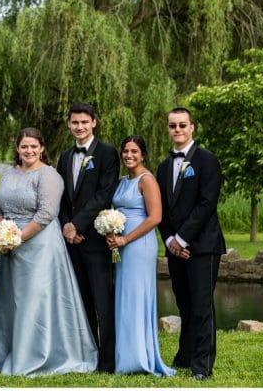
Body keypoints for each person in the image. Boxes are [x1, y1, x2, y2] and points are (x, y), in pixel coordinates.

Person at [0, 127, 97, 376]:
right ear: (17, 148)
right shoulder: (8, 174)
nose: (29, 150)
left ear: (41, 148)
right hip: (9, 248)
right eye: (24, 146)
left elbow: (47, 213)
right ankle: (10, 352)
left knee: (35, 301)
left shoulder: (49, 175)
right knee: (11, 302)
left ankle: (39, 356)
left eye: (33, 146)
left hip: (39, 246)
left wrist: (17, 238)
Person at [156, 107, 226, 380]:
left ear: (192, 127)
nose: (177, 130)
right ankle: (184, 356)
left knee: (201, 305)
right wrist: (171, 240)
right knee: (184, 303)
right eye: (172, 126)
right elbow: (161, 208)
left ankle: (202, 366)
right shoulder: (163, 167)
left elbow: (207, 204)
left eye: (182, 125)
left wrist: (183, 238)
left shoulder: (207, 160)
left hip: (203, 246)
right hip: (175, 247)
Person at [56, 101, 120, 373]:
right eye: (74, 122)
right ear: (69, 124)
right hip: (71, 242)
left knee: (103, 302)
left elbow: (103, 194)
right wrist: (66, 226)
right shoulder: (65, 156)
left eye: (84, 122)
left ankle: (107, 361)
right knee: (81, 301)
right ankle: (89, 354)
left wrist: (78, 226)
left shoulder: (107, 154)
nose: (79, 127)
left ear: (94, 122)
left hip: (95, 240)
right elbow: (60, 196)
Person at [106, 136, 175, 377]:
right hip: (120, 246)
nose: (128, 155)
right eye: (125, 151)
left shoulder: (147, 180)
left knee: (136, 297)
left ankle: (139, 358)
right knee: (123, 297)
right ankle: (124, 357)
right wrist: (111, 230)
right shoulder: (123, 180)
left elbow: (155, 218)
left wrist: (125, 238)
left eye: (134, 151)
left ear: (143, 154)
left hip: (139, 246)